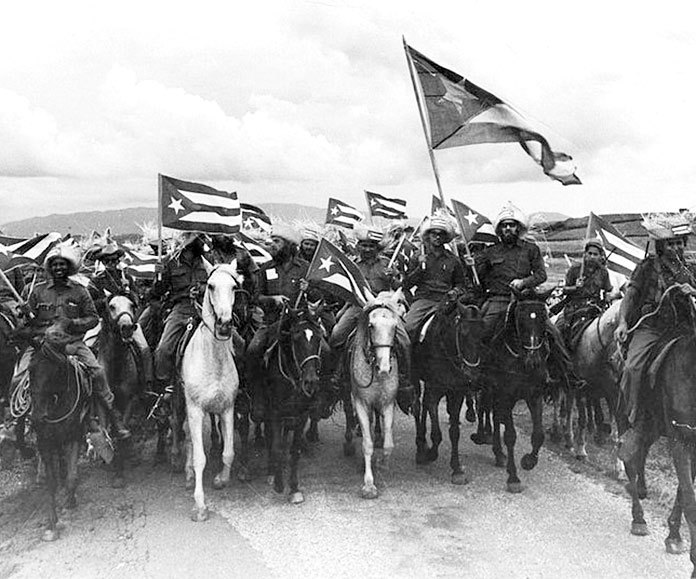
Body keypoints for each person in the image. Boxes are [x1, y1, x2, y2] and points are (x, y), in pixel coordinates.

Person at [22, 243, 130, 439]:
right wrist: (27, 317)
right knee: (19, 378)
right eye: (55, 265)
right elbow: (28, 323)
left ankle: (114, 416)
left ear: (68, 267)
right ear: (50, 268)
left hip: (73, 344)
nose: (58, 268)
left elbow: (92, 318)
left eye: (62, 265)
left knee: (97, 371)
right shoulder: (37, 292)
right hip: (43, 346)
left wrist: (72, 323)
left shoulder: (80, 291)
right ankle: (16, 423)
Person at [615, 214, 696, 453]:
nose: (676, 247)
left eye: (679, 242)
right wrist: (621, 322)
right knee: (632, 368)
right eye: (671, 243)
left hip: (685, 328)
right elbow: (630, 295)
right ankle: (634, 417)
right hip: (652, 328)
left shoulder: (691, 268)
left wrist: (693, 289)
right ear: (661, 245)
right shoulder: (647, 267)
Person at [328, 225, 410, 401]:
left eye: (371, 245)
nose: (367, 249)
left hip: (384, 310)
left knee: (405, 341)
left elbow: (399, 288)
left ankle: (404, 379)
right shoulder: (352, 266)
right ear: (358, 246)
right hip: (358, 308)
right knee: (336, 336)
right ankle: (337, 375)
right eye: (364, 245)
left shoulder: (387, 265)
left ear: (377, 247)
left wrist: (394, 278)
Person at [247, 225, 309, 421]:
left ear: (290, 246)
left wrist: (309, 289)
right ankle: (256, 398)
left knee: (323, 349)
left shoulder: (305, 269)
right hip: (272, 322)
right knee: (252, 350)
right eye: (272, 241)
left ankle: (316, 398)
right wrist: (272, 299)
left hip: (299, 322)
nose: (271, 245)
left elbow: (317, 297)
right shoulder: (266, 269)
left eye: (277, 241)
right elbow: (256, 297)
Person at [474, 203, 548, 341]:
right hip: (499, 299)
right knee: (481, 333)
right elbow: (480, 278)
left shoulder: (531, 249)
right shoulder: (489, 252)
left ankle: (564, 362)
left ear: (518, 228)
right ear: (500, 229)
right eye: (504, 225)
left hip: (525, 300)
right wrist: (471, 266)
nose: (508, 228)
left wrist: (524, 282)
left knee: (551, 334)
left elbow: (541, 275)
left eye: (512, 225)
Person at [150, 232, 211, 394]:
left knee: (236, 343)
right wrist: (159, 276)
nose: (201, 241)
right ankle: (165, 389)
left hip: (207, 309)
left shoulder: (209, 259)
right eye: (197, 239)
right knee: (163, 350)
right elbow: (158, 291)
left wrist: (202, 289)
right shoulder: (169, 262)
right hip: (181, 309)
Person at [89, 242, 154, 389]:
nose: (111, 263)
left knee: (144, 349)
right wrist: (107, 300)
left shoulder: (127, 278)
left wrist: (129, 293)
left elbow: (138, 299)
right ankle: (90, 386)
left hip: (127, 320)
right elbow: (90, 303)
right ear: (103, 262)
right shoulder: (96, 281)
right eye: (107, 261)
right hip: (104, 321)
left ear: (118, 261)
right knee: (89, 345)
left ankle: (147, 385)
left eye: (114, 260)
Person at [403, 214, 468, 341]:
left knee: (466, 329)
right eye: (434, 234)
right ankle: (407, 360)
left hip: (447, 302)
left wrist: (455, 291)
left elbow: (461, 284)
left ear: (446, 237)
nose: (437, 237)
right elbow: (406, 284)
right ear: (428, 236)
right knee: (407, 328)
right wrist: (420, 269)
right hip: (424, 300)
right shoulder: (418, 256)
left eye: (441, 234)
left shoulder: (454, 260)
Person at [556, 239, 615, 348]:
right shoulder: (575, 269)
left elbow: (608, 290)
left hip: (594, 308)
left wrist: (610, 297)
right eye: (590, 253)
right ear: (585, 254)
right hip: (574, 308)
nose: (592, 256)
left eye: (595, 254)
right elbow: (564, 289)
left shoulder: (603, 272)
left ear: (600, 256)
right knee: (556, 332)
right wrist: (575, 287)